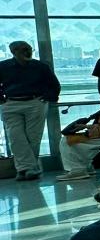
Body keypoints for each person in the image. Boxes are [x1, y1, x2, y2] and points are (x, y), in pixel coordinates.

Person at [1, 40, 60, 181]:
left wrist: (46, 98)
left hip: (35, 102)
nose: (28, 52)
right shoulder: (3, 66)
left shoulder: (40, 67)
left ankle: (24, 170)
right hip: (11, 104)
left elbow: (54, 85)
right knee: (16, 137)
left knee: (33, 137)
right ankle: (30, 168)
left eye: (29, 49)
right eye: (23, 50)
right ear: (13, 52)